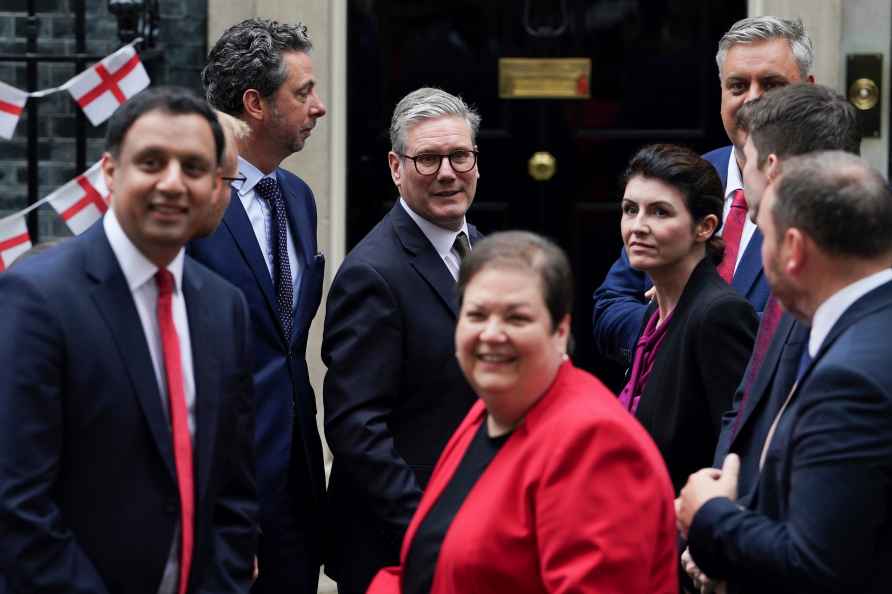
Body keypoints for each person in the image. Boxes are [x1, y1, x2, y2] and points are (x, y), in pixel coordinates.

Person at [0, 87, 257, 593]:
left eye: (193, 167)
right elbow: (17, 503)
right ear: (110, 172)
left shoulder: (225, 308)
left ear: (215, 185)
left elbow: (234, 491)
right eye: (151, 162)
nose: (172, 183)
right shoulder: (37, 298)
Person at [366, 231, 679, 594]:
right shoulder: (490, 411)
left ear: (560, 331)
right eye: (477, 315)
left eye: (516, 318)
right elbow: (430, 565)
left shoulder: (595, 443)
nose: (492, 334)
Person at [677, 151, 892, 594]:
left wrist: (710, 516)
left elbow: (816, 564)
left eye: (765, 236)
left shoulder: (851, 379)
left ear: (793, 249)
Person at [322, 87, 482, 594]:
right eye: (428, 159)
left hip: (467, 526)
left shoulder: (476, 245)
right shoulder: (372, 273)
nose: (448, 172)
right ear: (396, 167)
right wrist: (424, 526)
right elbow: (355, 425)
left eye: (460, 155)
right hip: (397, 545)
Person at [190, 18, 327, 593]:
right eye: (302, 93)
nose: (318, 107)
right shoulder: (193, 206)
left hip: (297, 481)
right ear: (255, 104)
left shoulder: (297, 196)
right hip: (226, 488)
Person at [593, 16, 814, 365]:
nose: (753, 101)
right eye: (738, 86)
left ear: (808, 90)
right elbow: (611, 306)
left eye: (772, 85)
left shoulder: (836, 199)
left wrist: (695, 322)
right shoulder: (689, 176)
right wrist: (667, 328)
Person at [616, 144, 757, 492]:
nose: (638, 226)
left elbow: (737, 449)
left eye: (660, 213)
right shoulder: (655, 310)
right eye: (630, 209)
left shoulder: (718, 315)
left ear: (705, 227)